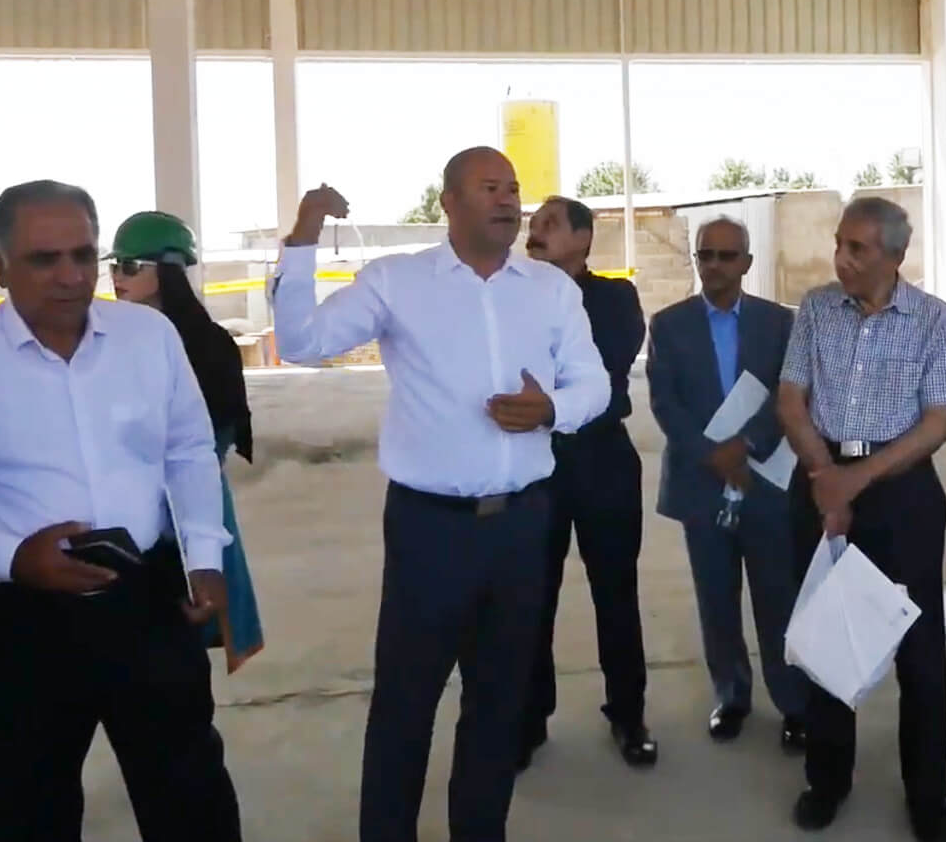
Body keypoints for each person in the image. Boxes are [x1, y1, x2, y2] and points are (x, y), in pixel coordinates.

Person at [271, 149, 610, 842]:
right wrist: (303, 236)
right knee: (406, 704)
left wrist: (551, 409)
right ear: (449, 203)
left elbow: (594, 382)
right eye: (489, 188)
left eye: (513, 188)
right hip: (431, 531)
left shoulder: (549, 289)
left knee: (498, 705)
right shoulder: (397, 281)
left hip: (521, 527)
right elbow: (301, 342)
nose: (508, 200)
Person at [0, 181, 241, 842]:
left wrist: (203, 555)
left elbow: (187, 449)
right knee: (28, 812)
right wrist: (11, 557)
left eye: (84, 254)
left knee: (191, 800)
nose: (71, 276)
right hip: (6, 621)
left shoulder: (150, 337)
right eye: (44, 259)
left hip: (143, 597)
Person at [778, 196, 946, 842]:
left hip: (901, 494)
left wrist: (855, 481)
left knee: (919, 651)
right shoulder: (815, 309)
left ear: (895, 255)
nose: (842, 259)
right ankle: (827, 781)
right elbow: (791, 399)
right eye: (839, 244)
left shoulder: (933, 319)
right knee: (829, 641)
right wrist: (824, 476)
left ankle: (927, 796)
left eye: (857, 248)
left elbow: (937, 423)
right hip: (821, 480)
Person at [649, 215, 809, 750]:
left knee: (777, 598)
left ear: (747, 262)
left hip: (766, 481)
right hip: (702, 484)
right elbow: (665, 403)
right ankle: (731, 696)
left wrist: (747, 445)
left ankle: (793, 703)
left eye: (726, 255)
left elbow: (792, 392)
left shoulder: (778, 322)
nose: (714, 266)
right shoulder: (668, 325)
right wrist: (712, 454)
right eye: (705, 255)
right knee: (716, 600)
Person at [519, 196, 657, 769]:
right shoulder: (510, 295)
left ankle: (628, 714)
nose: (534, 231)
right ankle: (528, 721)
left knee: (616, 592)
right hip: (534, 463)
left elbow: (602, 368)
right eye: (533, 224)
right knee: (531, 598)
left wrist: (545, 389)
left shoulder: (615, 298)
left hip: (603, 460)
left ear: (582, 238)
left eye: (549, 224)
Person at [109, 210, 265, 672]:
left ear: (169, 270)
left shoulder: (208, 345)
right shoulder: (107, 339)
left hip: (180, 514)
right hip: (120, 514)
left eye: (130, 267)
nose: (117, 277)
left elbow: (213, 436)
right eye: (114, 266)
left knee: (180, 635)